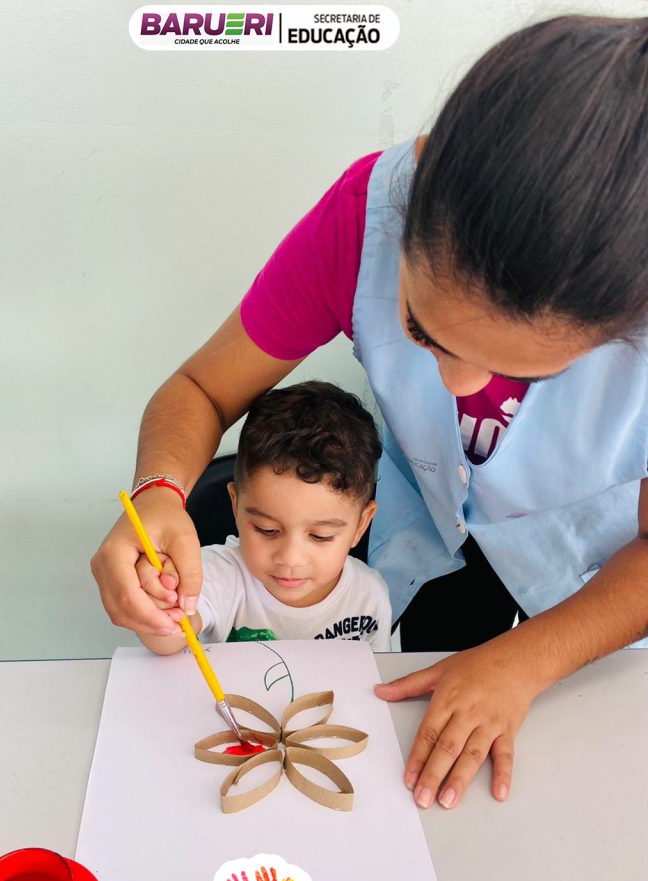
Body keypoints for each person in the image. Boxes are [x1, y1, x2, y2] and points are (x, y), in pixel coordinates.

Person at [92, 15, 648, 812]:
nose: (456, 388)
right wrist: (157, 493)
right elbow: (201, 391)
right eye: (420, 329)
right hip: (431, 527)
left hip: (604, 574)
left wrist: (527, 660)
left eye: (529, 371)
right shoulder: (366, 217)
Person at [133, 381, 392, 655]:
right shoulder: (217, 575)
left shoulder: (369, 595)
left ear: (361, 524)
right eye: (266, 529)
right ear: (235, 505)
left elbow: (378, 672)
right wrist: (160, 606)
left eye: (321, 536)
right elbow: (167, 639)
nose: (290, 559)